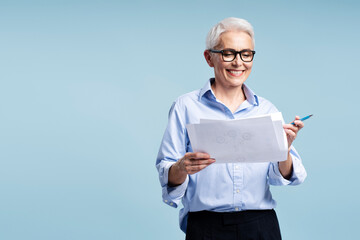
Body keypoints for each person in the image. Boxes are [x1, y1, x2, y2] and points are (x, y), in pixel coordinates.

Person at [156, 17, 307, 240]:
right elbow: (166, 169)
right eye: (229, 53)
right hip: (206, 226)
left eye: (246, 54)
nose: (238, 62)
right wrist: (181, 167)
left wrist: (283, 150)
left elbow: (284, 176)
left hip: (260, 225)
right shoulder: (185, 106)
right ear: (209, 58)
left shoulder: (266, 109)